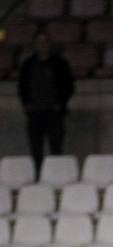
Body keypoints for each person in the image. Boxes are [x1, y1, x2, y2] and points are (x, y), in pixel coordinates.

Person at [17, 32, 74, 169]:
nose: (42, 45)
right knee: (36, 150)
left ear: (50, 44)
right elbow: (22, 87)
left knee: (56, 148)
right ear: (35, 45)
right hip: (35, 113)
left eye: (45, 41)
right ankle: (38, 178)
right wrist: (26, 104)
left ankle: (56, 176)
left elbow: (69, 86)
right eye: (39, 42)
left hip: (54, 113)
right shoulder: (28, 65)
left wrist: (60, 104)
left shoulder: (60, 64)